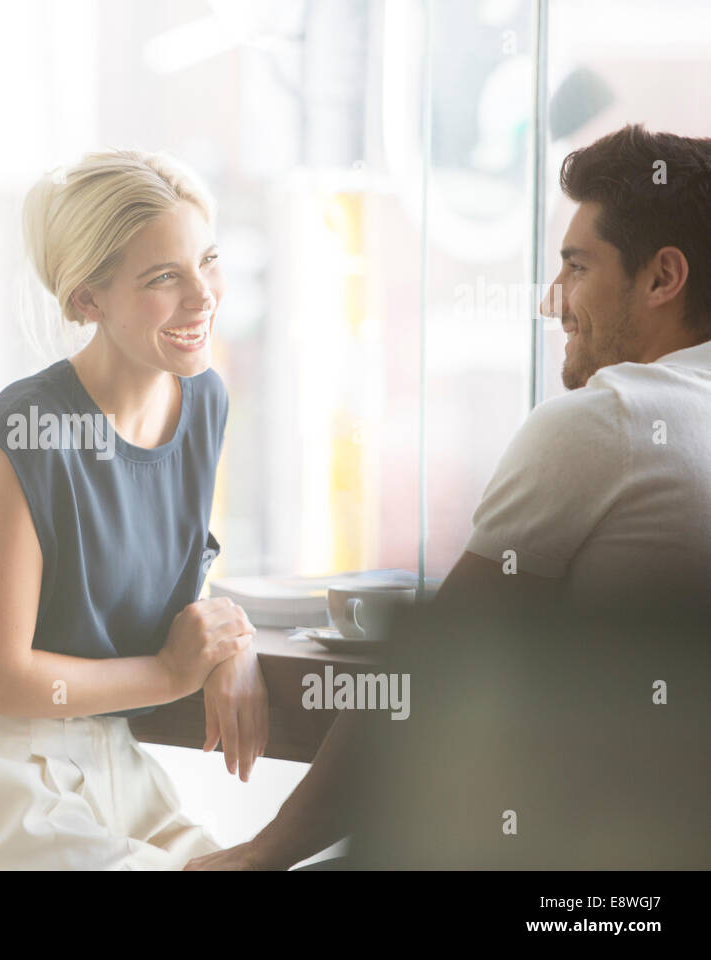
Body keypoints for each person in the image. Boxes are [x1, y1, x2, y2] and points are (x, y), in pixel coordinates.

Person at [185, 123, 711, 870]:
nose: (551, 303)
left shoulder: (611, 420)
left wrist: (262, 855)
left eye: (576, 267)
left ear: (662, 278)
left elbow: (425, 690)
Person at [0, 148, 268, 869]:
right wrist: (171, 674)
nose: (203, 296)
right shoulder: (29, 430)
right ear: (86, 302)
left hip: (113, 761)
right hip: (1, 775)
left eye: (208, 261)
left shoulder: (203, 403)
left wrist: (233, 644)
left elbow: (176, 577)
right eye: (164, 277)